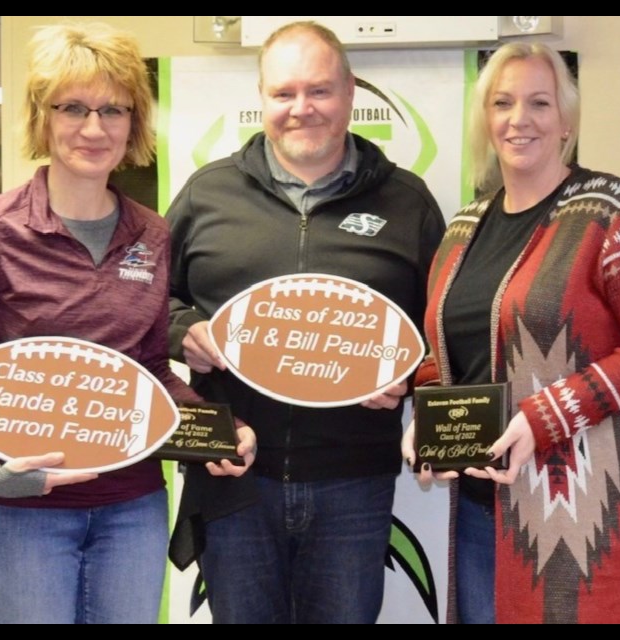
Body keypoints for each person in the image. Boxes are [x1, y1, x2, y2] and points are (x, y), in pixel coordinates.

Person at [0, 22, 255, 624]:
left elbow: (149, 369)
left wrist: (218, 431)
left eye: (114, 110)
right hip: (23, 511)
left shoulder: (152, 233)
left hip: (132, 506)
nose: (94, 128)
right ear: (43, 117)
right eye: (73, 107)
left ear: (134, 123)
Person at [165, 21, 445, 624]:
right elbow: (145, 303)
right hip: (233, 477)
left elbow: (445, 329)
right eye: (283, 93)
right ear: (261, 99)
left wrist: (408, 376)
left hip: (353, 482)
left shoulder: (407, 201)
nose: (301, 109)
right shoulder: (206, 195)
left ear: (349, 94)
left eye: (319, 91)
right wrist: (181, 328)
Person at [402, 42, 620, 624]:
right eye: (503, 103)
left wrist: (543, 420)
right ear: (486, 120)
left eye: (540, 102)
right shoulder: (462, 228)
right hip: (482, 512)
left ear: (566, 122)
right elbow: (442, 353)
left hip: (584, 513)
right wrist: (427, 423)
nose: (519, 119)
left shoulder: (610, 209)